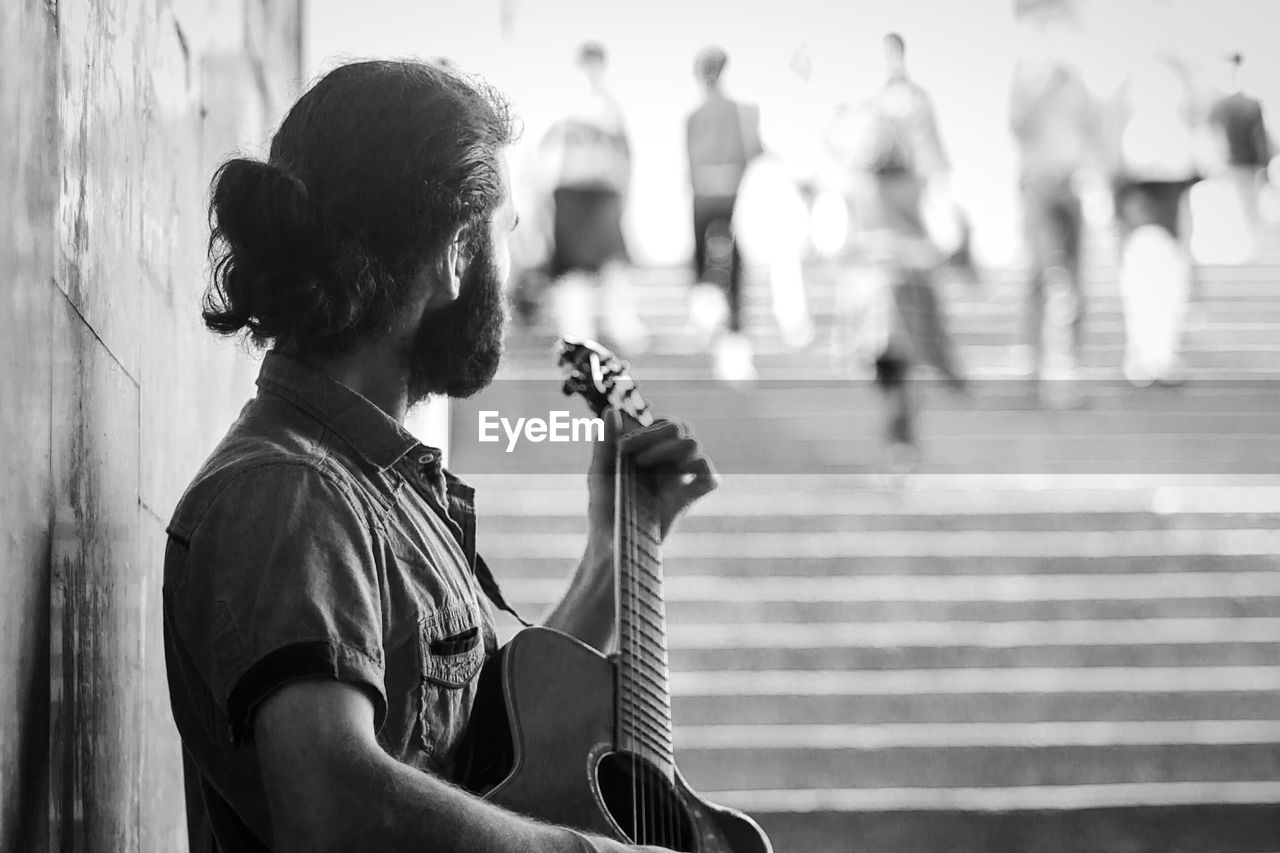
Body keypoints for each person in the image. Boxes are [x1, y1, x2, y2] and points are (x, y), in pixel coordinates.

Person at [164, 60, 715, 853]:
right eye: (506, 235)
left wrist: (619, 548)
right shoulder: (288, 493)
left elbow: (488, 769)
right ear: (458, 252)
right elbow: (332, 805)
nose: (513, 267)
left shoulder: (361, 482)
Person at [823, 33, 966, 468]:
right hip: (885, 272)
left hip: (892, 273)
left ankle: (900, 437)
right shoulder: (869, 162)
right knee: (894, 361)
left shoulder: (898, 130)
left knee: (895, 362)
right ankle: (900, 437)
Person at [1009, 3, 1102, 405]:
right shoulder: (1026, 77)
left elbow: (1090, 132)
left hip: (1072, 186)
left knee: (1076, 281)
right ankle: (1036, 367)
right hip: (1038, 186)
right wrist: (1043, 80)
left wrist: (1092, 179)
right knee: (1044, 277)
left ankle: (1068, 369)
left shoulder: (1076, 80)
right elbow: (1017, 125)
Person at [538, 42, 648, 354]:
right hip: (572, 193)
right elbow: (547, 152)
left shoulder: (610, 105)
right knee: (573, 270)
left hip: (602, 194)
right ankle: (575, 336)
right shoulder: (565, 103)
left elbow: (625, 155)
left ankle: (621, 325)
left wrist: (624, 194)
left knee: (615, 263)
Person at [1109, 52, 1199, 386]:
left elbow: (1189, 167)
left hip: (1169, 212)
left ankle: (1161, 354)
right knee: (1143, 282)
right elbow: (1120, 168)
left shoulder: (1176, 128)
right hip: (1141, 213)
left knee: (1169, 285)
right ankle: (1143, 355)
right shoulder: (1129, 124)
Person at [685, 46, 763, 384]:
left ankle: (707, 313)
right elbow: (752, 153)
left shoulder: (698, 116)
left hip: (710, 195)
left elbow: (690, 165)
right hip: (729, 193)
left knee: (705, 263)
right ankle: (726, 329)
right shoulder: (739, 112)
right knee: (732, 270)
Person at [1207, 52, 1272, 233]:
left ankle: (1248, 246)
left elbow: (1212, 137)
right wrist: (1264, 167)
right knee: (1247, 208)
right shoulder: (1248, 104)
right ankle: (1251, 245)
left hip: (1233, 165)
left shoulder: (1220, 106)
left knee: (1238, 209)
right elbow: (1260, 139)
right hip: (1242, 165)